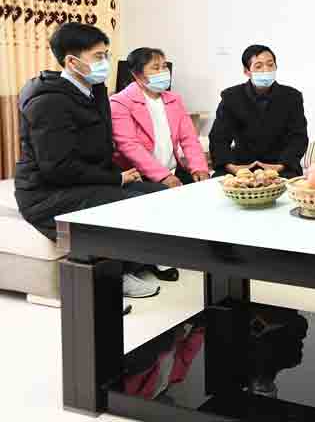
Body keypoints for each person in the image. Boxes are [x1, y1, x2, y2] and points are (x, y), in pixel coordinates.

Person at [14, 22, 166, 301]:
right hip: (47, 193)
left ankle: (136, 261)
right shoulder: (49, 102)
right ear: (72, 62)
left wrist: (119, 175)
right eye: (98, 57)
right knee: (127, 203)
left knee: (158, 194)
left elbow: (99, 149)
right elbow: (57, 168)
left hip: (83, 181)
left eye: (106, 55)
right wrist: (116, 179)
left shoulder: (94, 91)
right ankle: (113, 277)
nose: (105, 63)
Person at [110, 47, 210, 188]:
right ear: (137, 74)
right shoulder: (120, 102)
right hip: (138, 176)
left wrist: (199, 168)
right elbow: (129, 145)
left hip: (173, 170)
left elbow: (189, 139)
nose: (163, 72)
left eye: (164, 66)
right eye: (156, 68)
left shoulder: (174, 99)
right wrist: (163, 176)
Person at [209, 45, 308, 179]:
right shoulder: (231, 97)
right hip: (241, 166)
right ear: (246, 71)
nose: (266, 70)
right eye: (258, 66)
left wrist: (280, 166)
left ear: (276, 67)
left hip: (280, 166)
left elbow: (298, 137)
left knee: (291, 182)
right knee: (219, 181)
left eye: (270, 65)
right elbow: (218, 138)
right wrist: (232, 167)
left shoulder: (292, 97)